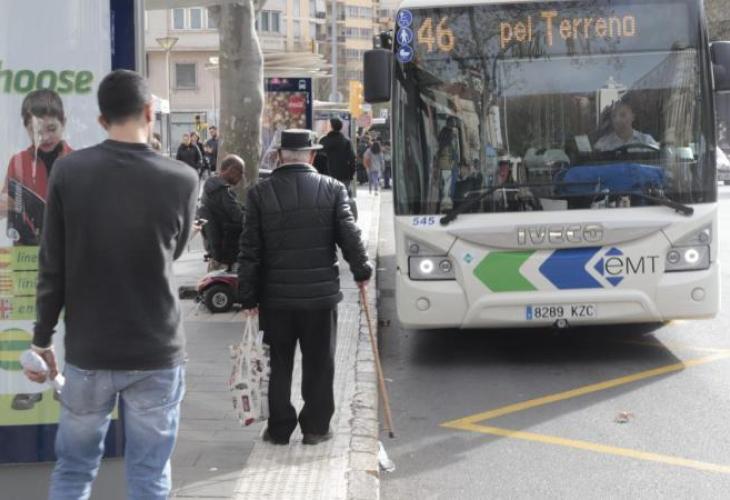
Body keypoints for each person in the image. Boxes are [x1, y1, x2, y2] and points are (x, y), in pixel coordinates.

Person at [24, 69, 198, 500]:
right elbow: (174, 251)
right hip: (156, 350)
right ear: (149, 112)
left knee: (74, 471)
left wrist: (43, 339)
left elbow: (52, 265)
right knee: (150, 476)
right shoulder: (181, 178)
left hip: (89, 352)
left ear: (102, 119)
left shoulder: (69, 171)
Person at [237, 129, 372, 446]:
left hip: (276, 299)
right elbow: (349, 235)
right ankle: (315, 428)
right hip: (319, 298)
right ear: (312, 155)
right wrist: (361, 270)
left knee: (278, 363)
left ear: (279, 156)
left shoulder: (259, 193)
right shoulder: (333, 188)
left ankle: (279, 429)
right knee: (319, 363)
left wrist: (248, 297)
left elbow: (249, 249)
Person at [2, 89, 73, 247]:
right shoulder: (18, 161)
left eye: (51, 129)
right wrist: (4, 205)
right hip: (26, 252)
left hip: (67, 248)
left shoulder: (78, 161)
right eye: (36, 131)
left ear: (63, 123)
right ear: (26, 128)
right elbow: (4, 205)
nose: (45, 137)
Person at [198, 154, 245, 271]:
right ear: (231, 170)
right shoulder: (222, 192)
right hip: (227, 252)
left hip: (215, 250)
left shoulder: (210, 188)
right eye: (240, 172)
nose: (241, 177)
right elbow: (239, 218)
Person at [594, 101, 659, 151]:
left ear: (633, 117)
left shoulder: (646, 141)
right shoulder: (602, 144)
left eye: (623, 115)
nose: (617, 120)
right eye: (614, 116)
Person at [319, 118, 356, 191]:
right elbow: (352, 159)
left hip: (326, 177)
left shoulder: (323, 141)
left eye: (327, 124)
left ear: (331, 127)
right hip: (344, 176)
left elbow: (318, 160)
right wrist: (350, 175)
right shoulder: (346, 141)